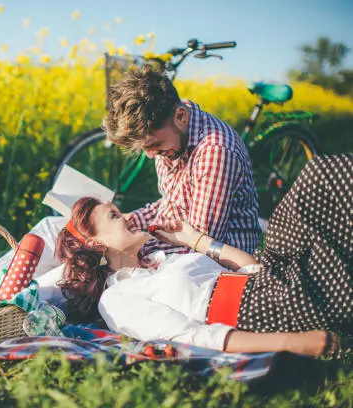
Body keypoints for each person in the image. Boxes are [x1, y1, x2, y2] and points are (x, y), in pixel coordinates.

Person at [56, 155, 352, 358]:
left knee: (322, 175)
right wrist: (294, 343)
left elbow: (251, 268)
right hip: (264, 309)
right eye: (116, 216)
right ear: (96, 243)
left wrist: (194, 239)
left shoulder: (158, 258)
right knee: (336, 255)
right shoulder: (117, 298)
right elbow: (191, 338)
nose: (129, 218)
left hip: (269, 275)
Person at [103, 67, 262, 256]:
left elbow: (200, 243)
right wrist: (133, 220)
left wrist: (131, 250)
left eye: (154, 145)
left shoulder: (214, 152)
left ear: (181, 116)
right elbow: (174, 202)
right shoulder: (172, 133)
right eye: (144, 148)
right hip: (185, 243)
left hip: (221, 260)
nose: (151, 155)